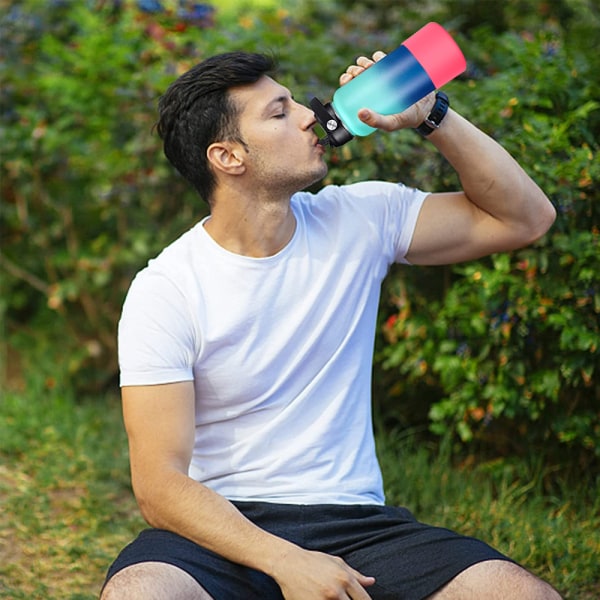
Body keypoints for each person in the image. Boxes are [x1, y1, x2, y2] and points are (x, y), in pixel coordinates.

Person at [101, 50, 560, 600]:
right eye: (278, 113)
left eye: (295, 101)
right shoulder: (167, 288)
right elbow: (159, 485)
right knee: (140, 592)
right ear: (227, 156)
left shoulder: (360, 218)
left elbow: (525, 218)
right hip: (220, 529)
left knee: (519, 594)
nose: (307, 115)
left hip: (359, 526)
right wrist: (288, 562)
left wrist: (433, 115)